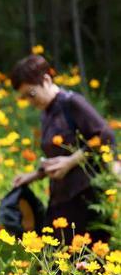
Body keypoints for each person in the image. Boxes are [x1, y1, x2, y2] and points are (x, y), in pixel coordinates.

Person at [10, 55, 119, 245]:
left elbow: (105, 136)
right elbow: (58, 156)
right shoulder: (46, 114)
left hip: (86, 196)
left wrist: (70, 162)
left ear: (46, 79)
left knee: (83, 261)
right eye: (25, 97)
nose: (30, 101)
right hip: (61, 197)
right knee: (54, 260)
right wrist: (35, 174)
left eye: (31, 94)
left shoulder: (72, 103)